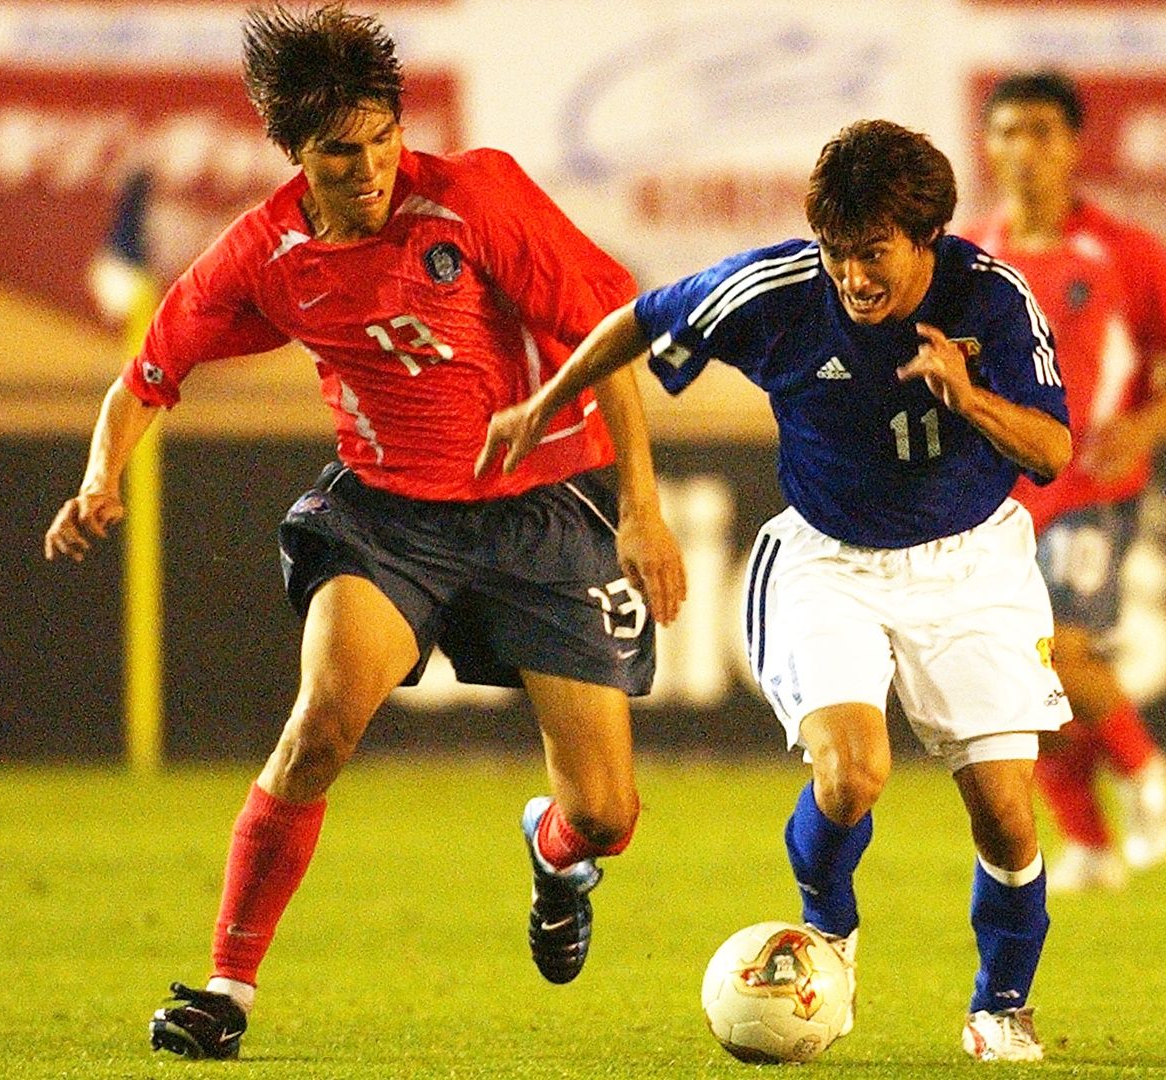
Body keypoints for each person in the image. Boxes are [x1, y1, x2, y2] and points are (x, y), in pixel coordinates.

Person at [42, 4, 685, 1060]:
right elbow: (149, 373)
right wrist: (101, 475)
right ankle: (225, 990)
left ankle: (557, 851)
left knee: (608, 813)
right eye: (343, 152)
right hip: (386, 519)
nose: (373, 166)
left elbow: (610, 333)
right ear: (294, 154)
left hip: (539, 508)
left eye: (384, 138)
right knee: (322, 724)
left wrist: (642, 509)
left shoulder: (473, 195)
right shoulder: (266, 249)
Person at [479, 119, 1072, 1063]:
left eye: (872, 254)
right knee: (850, 774)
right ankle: (828, 934)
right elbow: (639, 320)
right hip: (827, 562)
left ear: (928, 239)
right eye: (838, 253)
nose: (853, 278)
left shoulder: (992, 299)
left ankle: (1000, 1004)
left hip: (972, 565)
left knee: (1005, 814)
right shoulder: (781, 289)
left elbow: (1052, 449)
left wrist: (969, 397)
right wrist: (544, 403)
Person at [959, 71, 1166, 892]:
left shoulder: (1121, 247)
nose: (1024, 149)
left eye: (1042, 131)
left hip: (1089, 487)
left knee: (1064, 649)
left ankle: (1146, 774)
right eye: (1007, 131)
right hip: (998, 499)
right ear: (989, 146)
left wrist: (1146, 423)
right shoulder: (971, 254)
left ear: (1073, 145)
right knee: (1016, 684)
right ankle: (1090, 844)